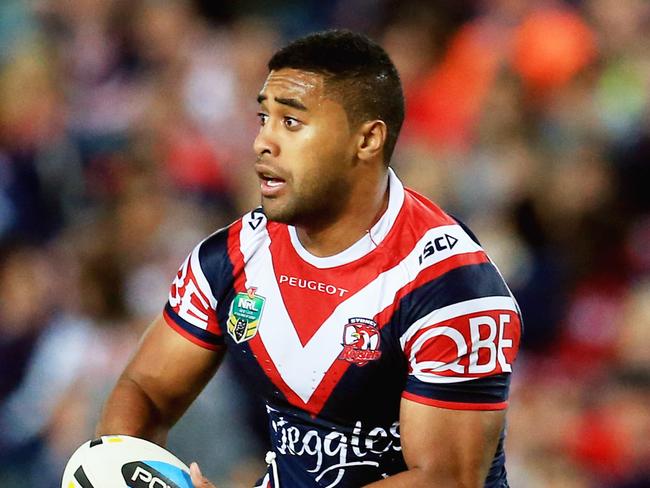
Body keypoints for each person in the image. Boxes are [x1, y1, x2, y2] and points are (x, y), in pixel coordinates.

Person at [96, 29, 522, 487]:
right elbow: (146, 391)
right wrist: (124, 473)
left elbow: (446, 480)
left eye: (291, 123)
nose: (262, 142)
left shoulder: (450, 289)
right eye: (264, 118)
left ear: (367, 140)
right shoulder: (233, 257)